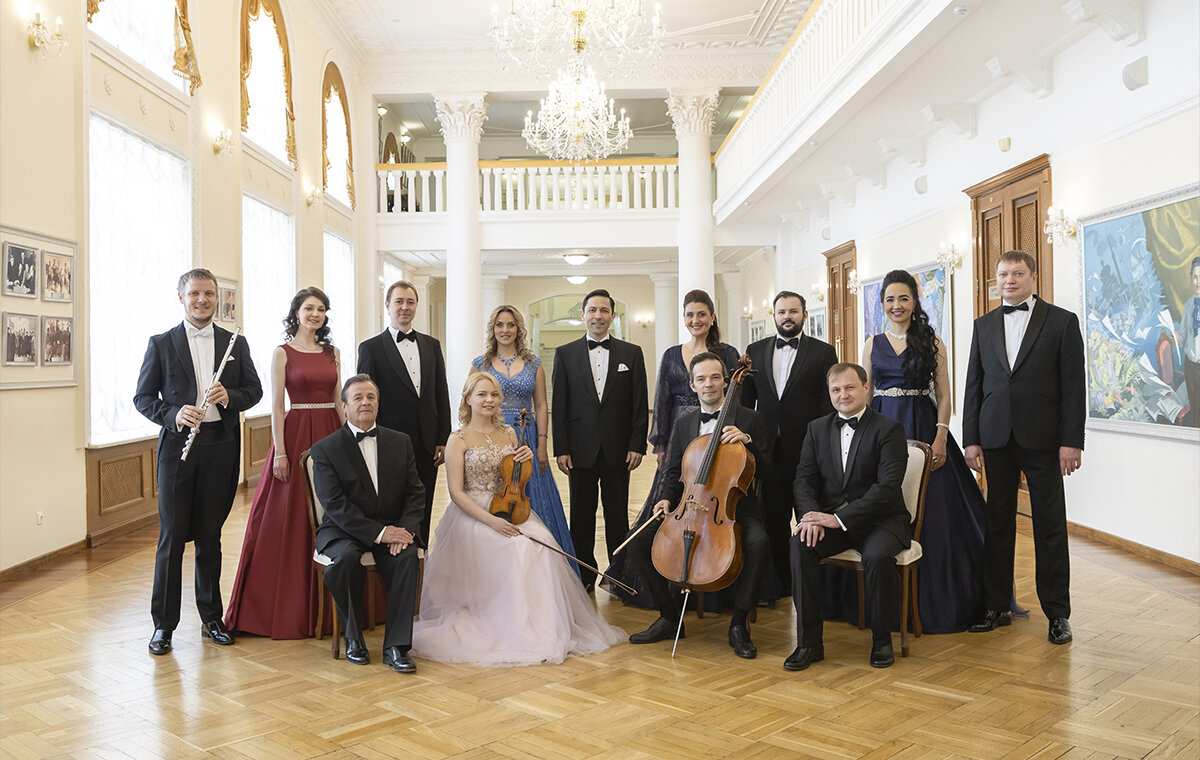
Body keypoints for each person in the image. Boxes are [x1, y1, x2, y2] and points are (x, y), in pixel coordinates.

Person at [411, 373, 626, 666]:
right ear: (468, 399)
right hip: (474, 514)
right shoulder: (456, 439)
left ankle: (543, 628)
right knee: (518, 548)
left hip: (508, 505)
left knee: (543, 540)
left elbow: (515, 479)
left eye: (494, 395)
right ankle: (513, 626)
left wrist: (525, 460)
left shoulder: (510, 433)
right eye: (482, 394)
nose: (489, 400)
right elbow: (456, 493)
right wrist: (491, 522)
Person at [851, 270, 1021, 633]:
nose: (897, 306)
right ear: (882, 304)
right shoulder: (871, 344)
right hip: (883, 429)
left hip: (924, 428)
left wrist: (941, 437)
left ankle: (941, 601)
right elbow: (865, 393)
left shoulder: (932, 341)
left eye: (903, 298)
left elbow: (944, 396)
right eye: (890, 299)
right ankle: (879, 600)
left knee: (937, 515)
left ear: (915, 301)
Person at [133, 268, 263, 656]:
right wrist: (174, 414)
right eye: (194, 294)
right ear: (182, 298)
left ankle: (211, 618)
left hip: (220, 447)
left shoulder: (235, 343)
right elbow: (143, 398)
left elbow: (254, 390)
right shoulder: (161, 343)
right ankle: (163, 626)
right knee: (171, 538)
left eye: (208, 293)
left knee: (210, 536)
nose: (202, 300)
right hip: (178, 449)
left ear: (216, 298)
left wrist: (229, 396)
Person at [963, 250, 1085, 645]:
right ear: (995, 280)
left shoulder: (1062, 322)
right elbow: (974, 386)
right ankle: (996, 606)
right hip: (995, 438)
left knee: (1050, 527)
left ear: (1033, 277)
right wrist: (970, 439)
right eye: (1003, 274)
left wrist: (1071, 441)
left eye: (1017, 273)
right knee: (997, 525)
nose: (1009, 280)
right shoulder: (983, 325)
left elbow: (1074, 388)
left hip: (1044, 439)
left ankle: (1058, 614)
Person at [624, 352, 773, 658]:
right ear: (692, 385)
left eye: (715, 377)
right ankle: (669, 618)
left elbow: (771, 471)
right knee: (637, 543)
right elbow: (672, 471)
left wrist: (748, 441)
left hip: (733, 509)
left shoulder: (750, 419)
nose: (709, 384)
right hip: (689, 507)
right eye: (701, 379)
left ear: (725, 381)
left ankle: (739, 624)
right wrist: (665, 498)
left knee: (758, 543)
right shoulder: (685, 423)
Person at [605, 289, 744, 605]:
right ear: (684, 318)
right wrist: (661, 447)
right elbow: (663, 401)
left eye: (702, 314)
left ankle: (710, 577)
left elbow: (738, 399)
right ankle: (665, 578)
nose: (696, 320)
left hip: (717, 440)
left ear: (712, 317)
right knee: (669, 508)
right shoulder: (671, 354)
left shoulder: (728, 353)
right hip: (680, 442)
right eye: (690, 315)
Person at [224, 288, 345, 639]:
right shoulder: (282, 353)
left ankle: (337, 606)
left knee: (334, 509)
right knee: (289, 515)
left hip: (330, 431)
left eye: (321, 309)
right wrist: (280, 451)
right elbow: (277, 405)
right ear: (296, 312)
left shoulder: (333, 353)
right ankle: (285, 607)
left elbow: (338, 400)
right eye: (309, 308)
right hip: (295, 434)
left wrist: (348, 440)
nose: (316, 314)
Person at [785, 363, 911, 671]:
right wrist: (810, 518)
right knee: (800, 545)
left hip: (881, 520)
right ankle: (809, 644)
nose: (843, 394)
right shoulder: (816, 428)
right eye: (836, 389)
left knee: (877, 557)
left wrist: (839, 519)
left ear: (866, 388)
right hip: (831, 521)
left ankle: (882, 641)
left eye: (850, 387)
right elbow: (803, 480)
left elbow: (886, 488)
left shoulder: (889, 429)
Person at [309, 374, 425, 673]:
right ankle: (353, 637)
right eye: (358, 397)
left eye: (371, 397)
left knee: (406, 557)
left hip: (392, 525)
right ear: (344, 406)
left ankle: (396, 647)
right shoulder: (325, 449)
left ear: (378, 404)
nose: (365, 402)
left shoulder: (400, 442)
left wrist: (405, 531)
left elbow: (415, 493)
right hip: (342, 529)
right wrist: (381, 533)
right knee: (345, 560)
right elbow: (335, 505)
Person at [552, 288, 649, 590]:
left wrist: (637, 444)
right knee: (581, 516)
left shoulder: (632, 353)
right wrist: (561, 448)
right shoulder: (565, 354)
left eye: (604, 310)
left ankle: (619, 576)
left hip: (618, 449)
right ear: (583, 315)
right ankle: (584, 576)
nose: (598, 315)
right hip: (579, 449)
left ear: (613, 316)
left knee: (617, 515)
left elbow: (639, 402)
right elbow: (559, 405)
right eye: (592, 310)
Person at [742, 291, 838, 595]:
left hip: (809, 450)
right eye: (782, 311)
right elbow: (746, 405)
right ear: (774, 315)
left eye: (793, 311)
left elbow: (828, 405)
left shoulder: (824, 353)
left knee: (811, 514)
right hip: (767, 452)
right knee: (774, 518)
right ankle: (783, 584)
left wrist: (824, 448)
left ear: (805, 315)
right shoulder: (754, 351)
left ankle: (816, 586)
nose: (787, 317)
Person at [468, 305, 576, 568]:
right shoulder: (479, 364)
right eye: (499, 325)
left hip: (526, 438)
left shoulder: (533, 363)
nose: (505, 330)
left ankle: (540, 567)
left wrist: (542, 444)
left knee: (533, 498)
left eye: (511, 324)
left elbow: (541, 404)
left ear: (519, 329)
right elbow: (470, 403)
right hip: (491, 436)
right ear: (492, 329)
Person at [357, 279, 451, 545]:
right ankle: (397, 555)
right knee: (392, 504)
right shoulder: (370, 348)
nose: (404, 307)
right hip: (388, 442)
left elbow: (440, 393)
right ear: (387, 305)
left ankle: (421, 553)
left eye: (410, 302)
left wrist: (443, 438)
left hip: (427, 442)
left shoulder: (432, 345)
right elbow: (365, 399)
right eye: (399, 301)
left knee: (424, 502)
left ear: (416, 306)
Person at [1180, 257, 1200, 426]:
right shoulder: (1188, 305)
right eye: (1195, 277)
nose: (1198, 282)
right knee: (1194, 405)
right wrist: (1177, 336)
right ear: (1190, 279)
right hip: (1190, 365)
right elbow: (1183, 333)